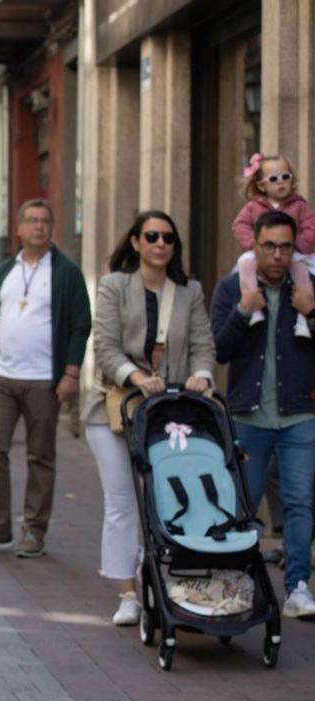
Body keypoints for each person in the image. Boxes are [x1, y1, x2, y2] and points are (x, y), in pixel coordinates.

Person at [81, 210, 215, 625]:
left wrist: (201, 375)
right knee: (122, 500)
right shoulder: (114, 286)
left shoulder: (188, 292)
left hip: (167, 415)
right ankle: (127, 593)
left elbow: (202, 345)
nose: (160, 244)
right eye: (151, 236)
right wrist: (137, 376)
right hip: (112, 411)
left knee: (169, 497)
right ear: (136, 242)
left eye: (168, 239)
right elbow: (104, 345)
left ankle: (165, 579)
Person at [0, 199, 92, 558]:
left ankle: (34, 531)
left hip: (43, 381)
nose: (38, 226)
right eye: (32, 221)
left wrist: (71, 373)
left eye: (44, 221)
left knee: (40, 456)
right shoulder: (6, 270)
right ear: (19, 228)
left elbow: (81, 325)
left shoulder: (66, 272)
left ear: (51, 228)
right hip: (0, 376)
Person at [210, 209, 315, 618]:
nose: (277, 255)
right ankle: (234, 582)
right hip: (247, 417)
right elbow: (219, 348)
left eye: (285, 247)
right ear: (254, 245)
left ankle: (298, 588)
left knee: (300, 502)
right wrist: (242, 310)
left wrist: (311, 311)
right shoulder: (232, 287)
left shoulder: (307, 288)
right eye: (269, 246)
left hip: (300, 415)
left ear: (294, 249)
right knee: (241, 504)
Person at [231, 153, 315, 337]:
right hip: (261, 251)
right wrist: (253, 244)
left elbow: (311, 226)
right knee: (244, 264)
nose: (281, 183)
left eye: (286, 177)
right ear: (262, 185)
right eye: (274, 179)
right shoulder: (254, 206)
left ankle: (303, 319)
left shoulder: (299, 205)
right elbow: (240, 225)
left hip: (294, 252)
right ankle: (253, 308)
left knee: (304, 273)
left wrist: (298, 245)